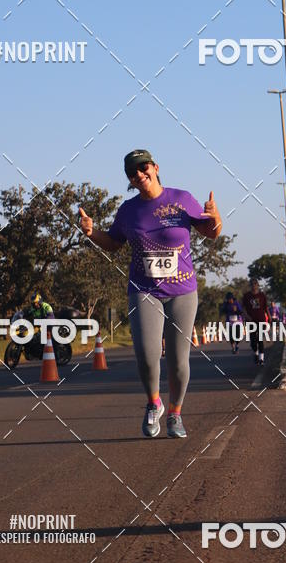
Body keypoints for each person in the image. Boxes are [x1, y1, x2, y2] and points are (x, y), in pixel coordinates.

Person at [79, 149, 221, 439]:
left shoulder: (182, 199)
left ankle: (175, 413)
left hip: (182, 290)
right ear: (130, 180)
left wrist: (216, 216)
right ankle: (154, 403)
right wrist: (92, 232)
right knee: (147, 355)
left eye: (143, 167)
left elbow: (211, 232)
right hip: (144, 290)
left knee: (179, 361)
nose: (139, 174)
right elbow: (114, 243)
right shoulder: (128, 211)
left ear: (155, 167)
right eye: (133, 173)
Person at [242, 279, 269, 365]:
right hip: (251, 321)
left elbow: (266, 308)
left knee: (260, 339)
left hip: (261, 320)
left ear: (258, 285)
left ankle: (261, 359)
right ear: (250, 286)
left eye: (255, 284)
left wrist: (270, 317)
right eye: (252, 284)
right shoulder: (247, 296)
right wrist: (247, 316)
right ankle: (256, 353)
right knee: (253, 341)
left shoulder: (262, 295)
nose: (254, 286)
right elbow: (243, 309)